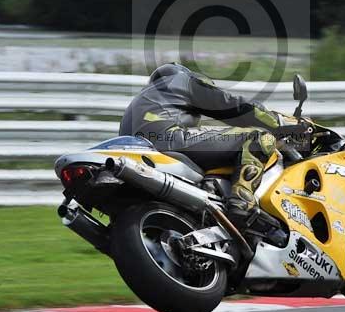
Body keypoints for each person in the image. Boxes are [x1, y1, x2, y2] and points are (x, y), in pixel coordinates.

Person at [119, 63, 282, 227]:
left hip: (139, 153)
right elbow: (233, 107)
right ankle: (242, 200)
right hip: (168, 139)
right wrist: (279, 123)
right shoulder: (181, 80)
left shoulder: (141, 100)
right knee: (258, 136)